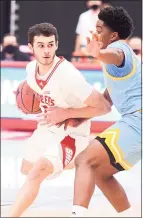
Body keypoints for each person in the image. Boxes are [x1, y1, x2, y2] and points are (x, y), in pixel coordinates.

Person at [41, 7, 141, 217]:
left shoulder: (119, 50)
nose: (94, 32)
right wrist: (77, 116)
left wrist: (97, 52)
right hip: (135, 123)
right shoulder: (121, 65)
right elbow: (105, 102)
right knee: (101, 173)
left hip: (137, 121)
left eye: (99, 28)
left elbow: (112, 55)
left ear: (113, 35)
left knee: (84, 160)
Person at [7, 23, 111, 217]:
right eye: (41, 45)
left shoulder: (68, 75)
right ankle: (79, 160)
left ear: (56, 45)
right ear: (31, 47)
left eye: (50, 45)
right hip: (46, 129)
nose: (46, 50)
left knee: (37, 172)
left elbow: (104, 107)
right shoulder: (31, 69)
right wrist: (24, 98)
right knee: (26, 168)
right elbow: (36, 90)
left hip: (71, 132)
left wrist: (66, 113)